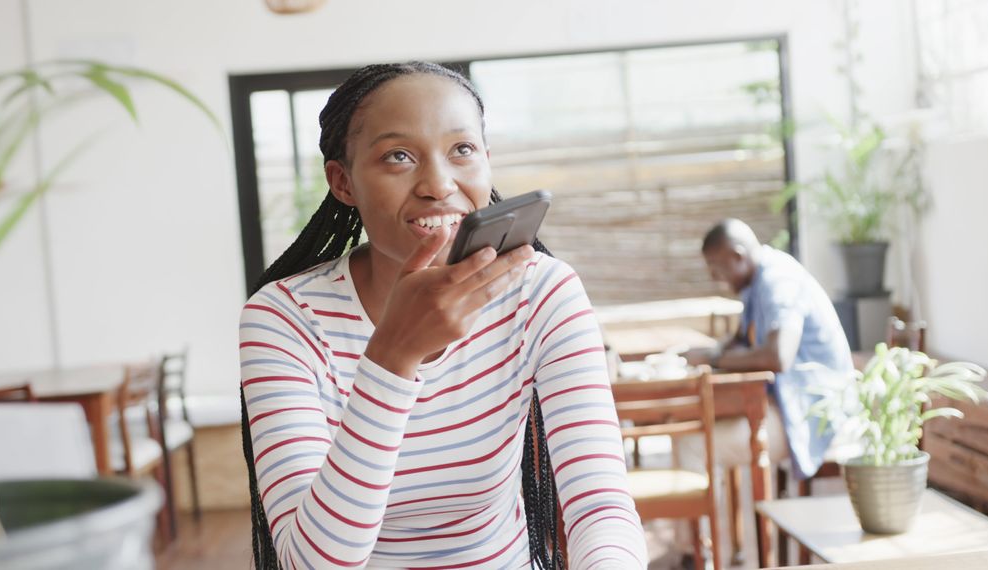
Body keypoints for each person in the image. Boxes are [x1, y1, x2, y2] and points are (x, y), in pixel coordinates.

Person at [238, 62, 647, 569]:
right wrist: (393, 355)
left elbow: (599, 507)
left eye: (462, 150)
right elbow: (313, 562)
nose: (438, 183)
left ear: (487, 161)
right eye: (398, 156)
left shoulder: (540, 290)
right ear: (343, 182)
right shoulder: (285, 318)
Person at [684, 218, 854, 479]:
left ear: (737, 257)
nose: (713, 277)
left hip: (818, 414)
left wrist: (716, 358)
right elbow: (741, 339)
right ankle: (743, 519)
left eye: (716, 268)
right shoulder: (757, 283)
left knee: (693, 445)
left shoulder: (778, 282)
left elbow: (778, 357)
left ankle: (749, 520)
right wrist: (707, 353)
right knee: (698, 426)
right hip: (790, 403)